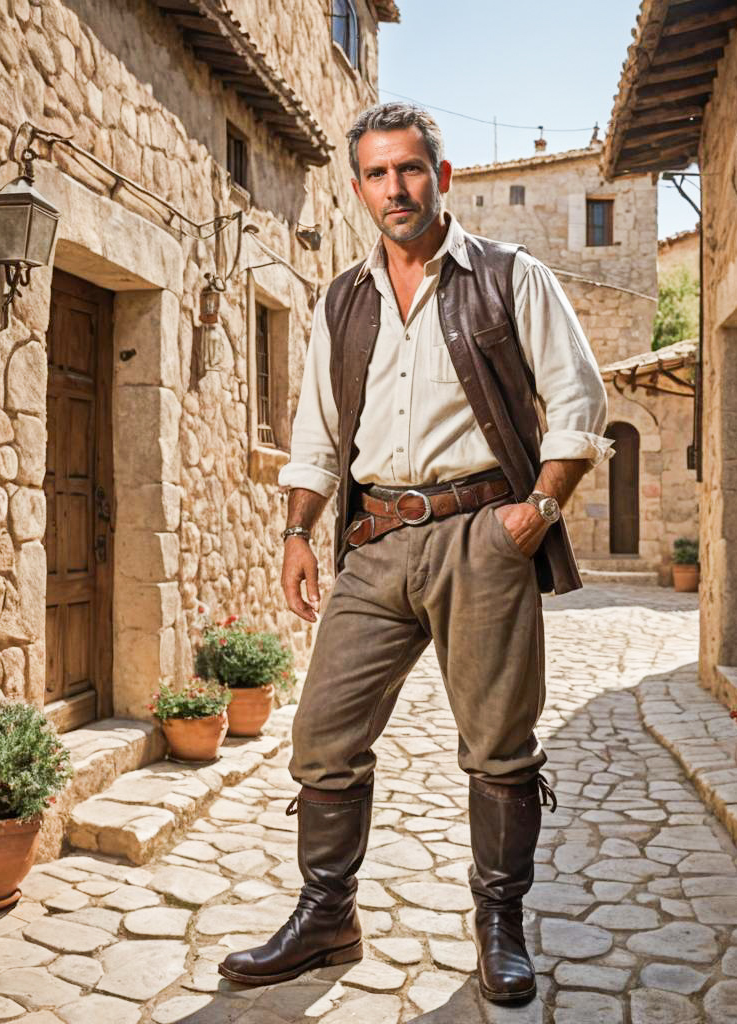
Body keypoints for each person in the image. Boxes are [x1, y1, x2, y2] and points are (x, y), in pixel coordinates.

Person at [219, 102, 611, 1006]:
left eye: (410, 169)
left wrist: (537, 513)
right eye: (377, 174)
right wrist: (294, 530)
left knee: (499, 747)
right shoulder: (344, 300)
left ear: (442, 173)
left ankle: (499, 923)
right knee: (322, 734)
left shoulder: (508, 276)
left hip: (484, 535)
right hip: (373, 543)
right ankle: (327, 915)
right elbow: (315, 432)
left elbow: (579, 406)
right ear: (357, 188)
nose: (395, 188)